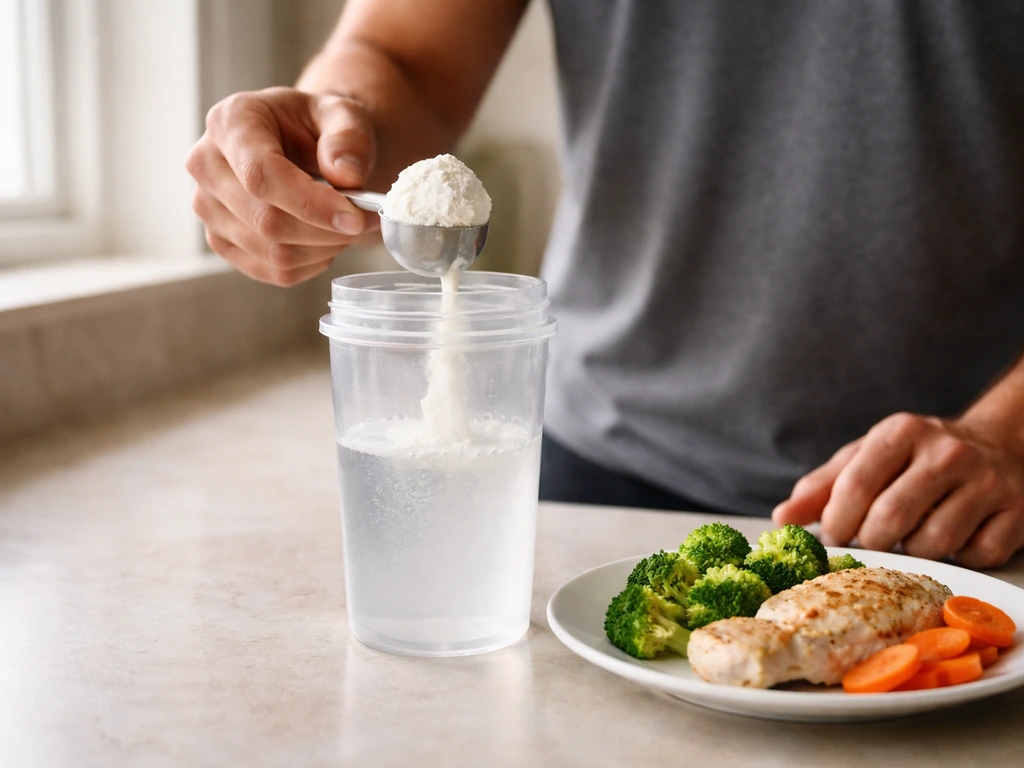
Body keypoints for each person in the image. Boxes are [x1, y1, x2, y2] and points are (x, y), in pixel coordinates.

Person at [186, 1, 1024, 568]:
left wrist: (1009, 437)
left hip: (961, 493)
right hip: (595, 464)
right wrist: (332, 121)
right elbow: (403, 56)